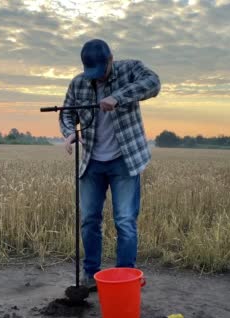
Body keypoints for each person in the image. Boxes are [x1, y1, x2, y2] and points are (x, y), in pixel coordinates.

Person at [59, 39, 161, 288]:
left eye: (100, 71)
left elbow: (154, 83)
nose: (96, 77)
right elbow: (67, 111)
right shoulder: (79, 82)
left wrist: (119, 97)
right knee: (89, 219)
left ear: (111, 60)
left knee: (125, 220)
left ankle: (125, 277)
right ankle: (90, 275)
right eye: (90, 72)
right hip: (92, 160)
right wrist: (70, 132)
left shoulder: (130, 69)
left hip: (124, 161)